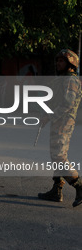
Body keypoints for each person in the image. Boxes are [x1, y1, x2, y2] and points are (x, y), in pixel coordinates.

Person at [38, 49, 82, 207]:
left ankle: (79, 186)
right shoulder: (62, 79)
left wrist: (49, 116)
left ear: (71, 63)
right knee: (55, 156)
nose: (58, 63)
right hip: (58, 122)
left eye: (61, 61)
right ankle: (57, 190)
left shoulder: (71, 80)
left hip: (63, 123)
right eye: (57, 61)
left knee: (59, 158)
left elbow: (68, 104)